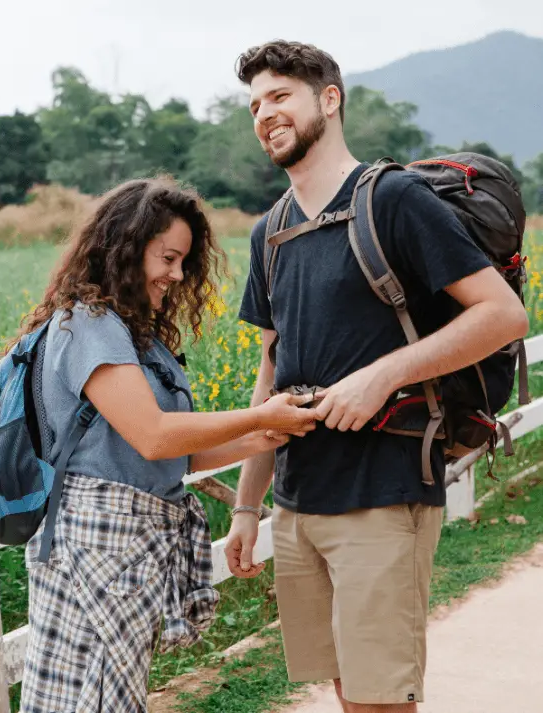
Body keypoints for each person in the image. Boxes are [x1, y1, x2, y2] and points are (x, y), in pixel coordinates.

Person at [223, 40, 529, 712]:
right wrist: (249, 505)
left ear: (329, 100)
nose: (264, 113)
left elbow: (502, 314)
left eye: (280, 97)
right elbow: (271, 369)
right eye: (254, 104)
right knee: (345, 689)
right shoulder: (268, 231)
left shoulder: (393, 199)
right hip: (299, 499)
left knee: (380, 698)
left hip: (383, 489)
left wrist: (382, 375)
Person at [14, 175, 318, 713]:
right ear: (125, 248)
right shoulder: (91, 324)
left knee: (112, 693)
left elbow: (182, 455)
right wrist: (257, 414)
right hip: (97, 540)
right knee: (92, 697)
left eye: (184, 263)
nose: (176, 276)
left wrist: (262, 435)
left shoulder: (136, 336)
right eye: (168, 258)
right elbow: (154, 436)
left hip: (128, 543)